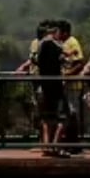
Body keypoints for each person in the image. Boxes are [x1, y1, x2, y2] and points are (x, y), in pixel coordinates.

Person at [34, 22, 66, 156]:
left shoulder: (40, 44)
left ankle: (46, 146)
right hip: (56, 85)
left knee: (46, 118)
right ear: (56, 32)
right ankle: (55, 146)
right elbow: (63, 58)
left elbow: (35, 60)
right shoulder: (55, 45)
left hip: (44, 84)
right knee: (63, 117)